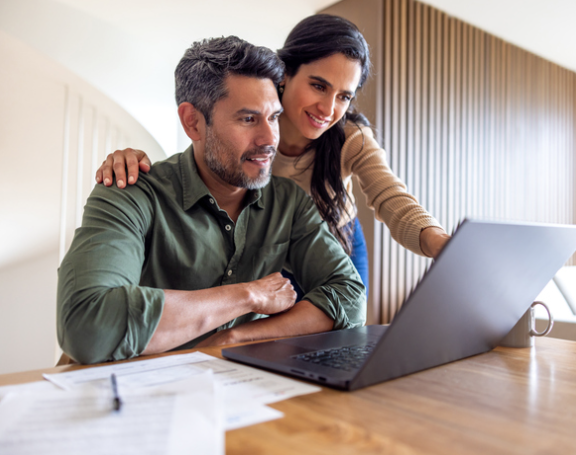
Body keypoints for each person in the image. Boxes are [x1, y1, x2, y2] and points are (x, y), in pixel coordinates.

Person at [57, 36, 365, 365]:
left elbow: (350, 298)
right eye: (248, 119)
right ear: (193, 122)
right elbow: (87, 325)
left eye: (273, 117)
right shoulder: (129, 191)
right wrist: (248, 296)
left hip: (234, 392)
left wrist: (234, 338)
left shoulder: (289, 203)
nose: (269, 139)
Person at [96, 14, 451, 298]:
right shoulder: (250, 128)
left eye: (344, 96)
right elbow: (207, 155)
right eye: (318, 86)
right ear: (284, 75)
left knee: (342, 335)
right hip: (270, 246)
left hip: (336, 238)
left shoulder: (350, 138)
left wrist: (443, 245)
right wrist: (132, 159)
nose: (328, 109)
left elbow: (392, 198)